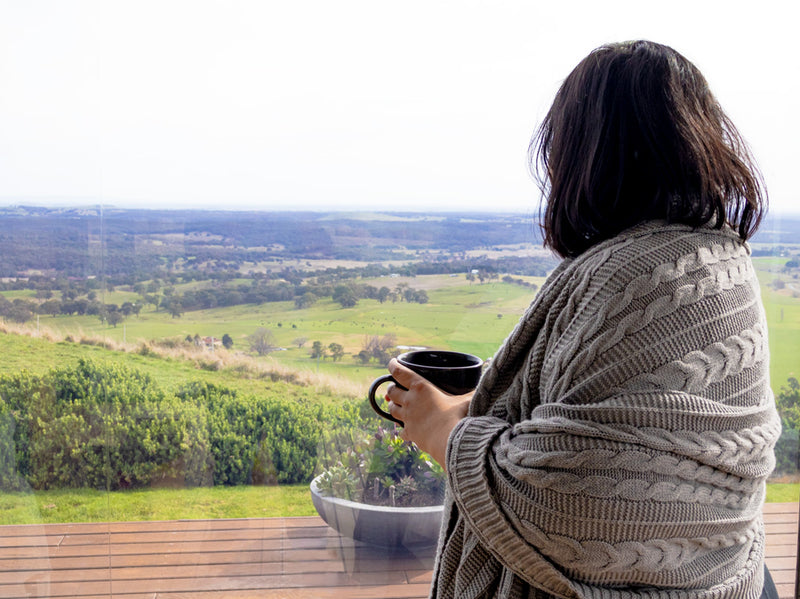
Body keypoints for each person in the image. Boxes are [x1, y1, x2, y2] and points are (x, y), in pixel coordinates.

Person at [384, 40, 781, 599]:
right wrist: (503, 402)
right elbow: (636, 429)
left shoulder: (630, 276)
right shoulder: (723, 256)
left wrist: (447, 431)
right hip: (734, 577)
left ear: (585, 152)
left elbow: (584, 504)